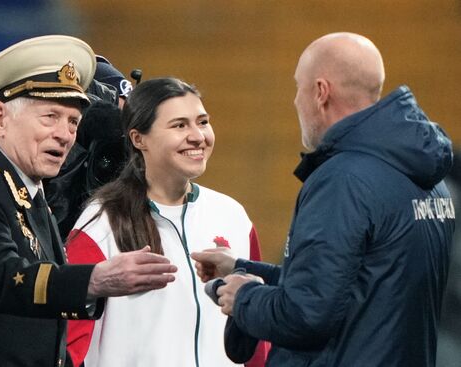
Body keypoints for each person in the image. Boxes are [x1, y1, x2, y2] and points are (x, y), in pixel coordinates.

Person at [191, 32, 455, 367]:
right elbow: (352, 287)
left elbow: (306, 315)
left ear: (320, 92)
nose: (295, 101)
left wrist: (243, 297)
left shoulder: (343, 180)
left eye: (298, 87)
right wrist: (242, 268)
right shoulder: (427, 179)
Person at [0, 35, 177, 367]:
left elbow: (36, 332)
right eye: (50, 117)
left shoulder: (31, 197)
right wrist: (95, 279)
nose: (64, 134)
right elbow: (4, 281)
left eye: (73, 122)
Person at [65, 77, 268, 367]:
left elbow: (256, 337)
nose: (198, 136)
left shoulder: (232, 215)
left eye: (203, 122)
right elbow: (70, 345)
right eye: (179, 125)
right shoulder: (100, 224)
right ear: (138, 139)